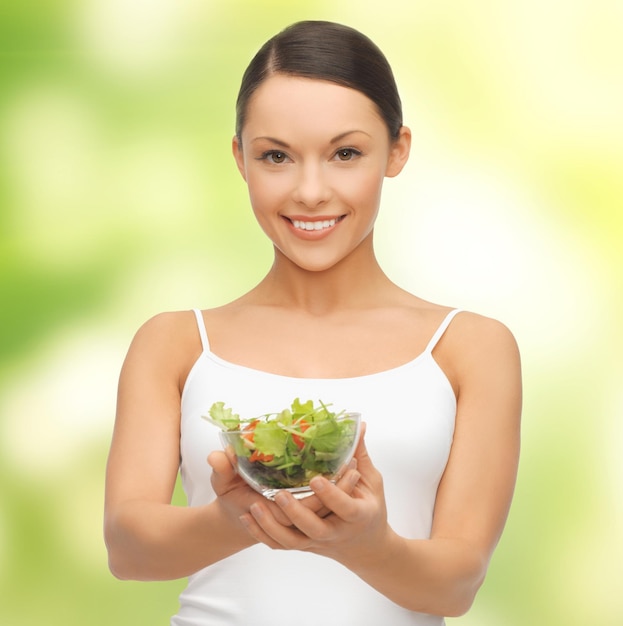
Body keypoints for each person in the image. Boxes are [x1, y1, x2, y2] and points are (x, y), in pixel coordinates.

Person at [104, 20, 522, 626]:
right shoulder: (174, 343)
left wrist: (370, 546)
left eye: (345, 153)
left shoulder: (470, 348)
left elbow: (455, 585)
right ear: (240, 158)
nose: (309, 191)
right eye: (276, 156)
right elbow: (127, 548)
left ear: (397, 150)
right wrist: (235, 516)